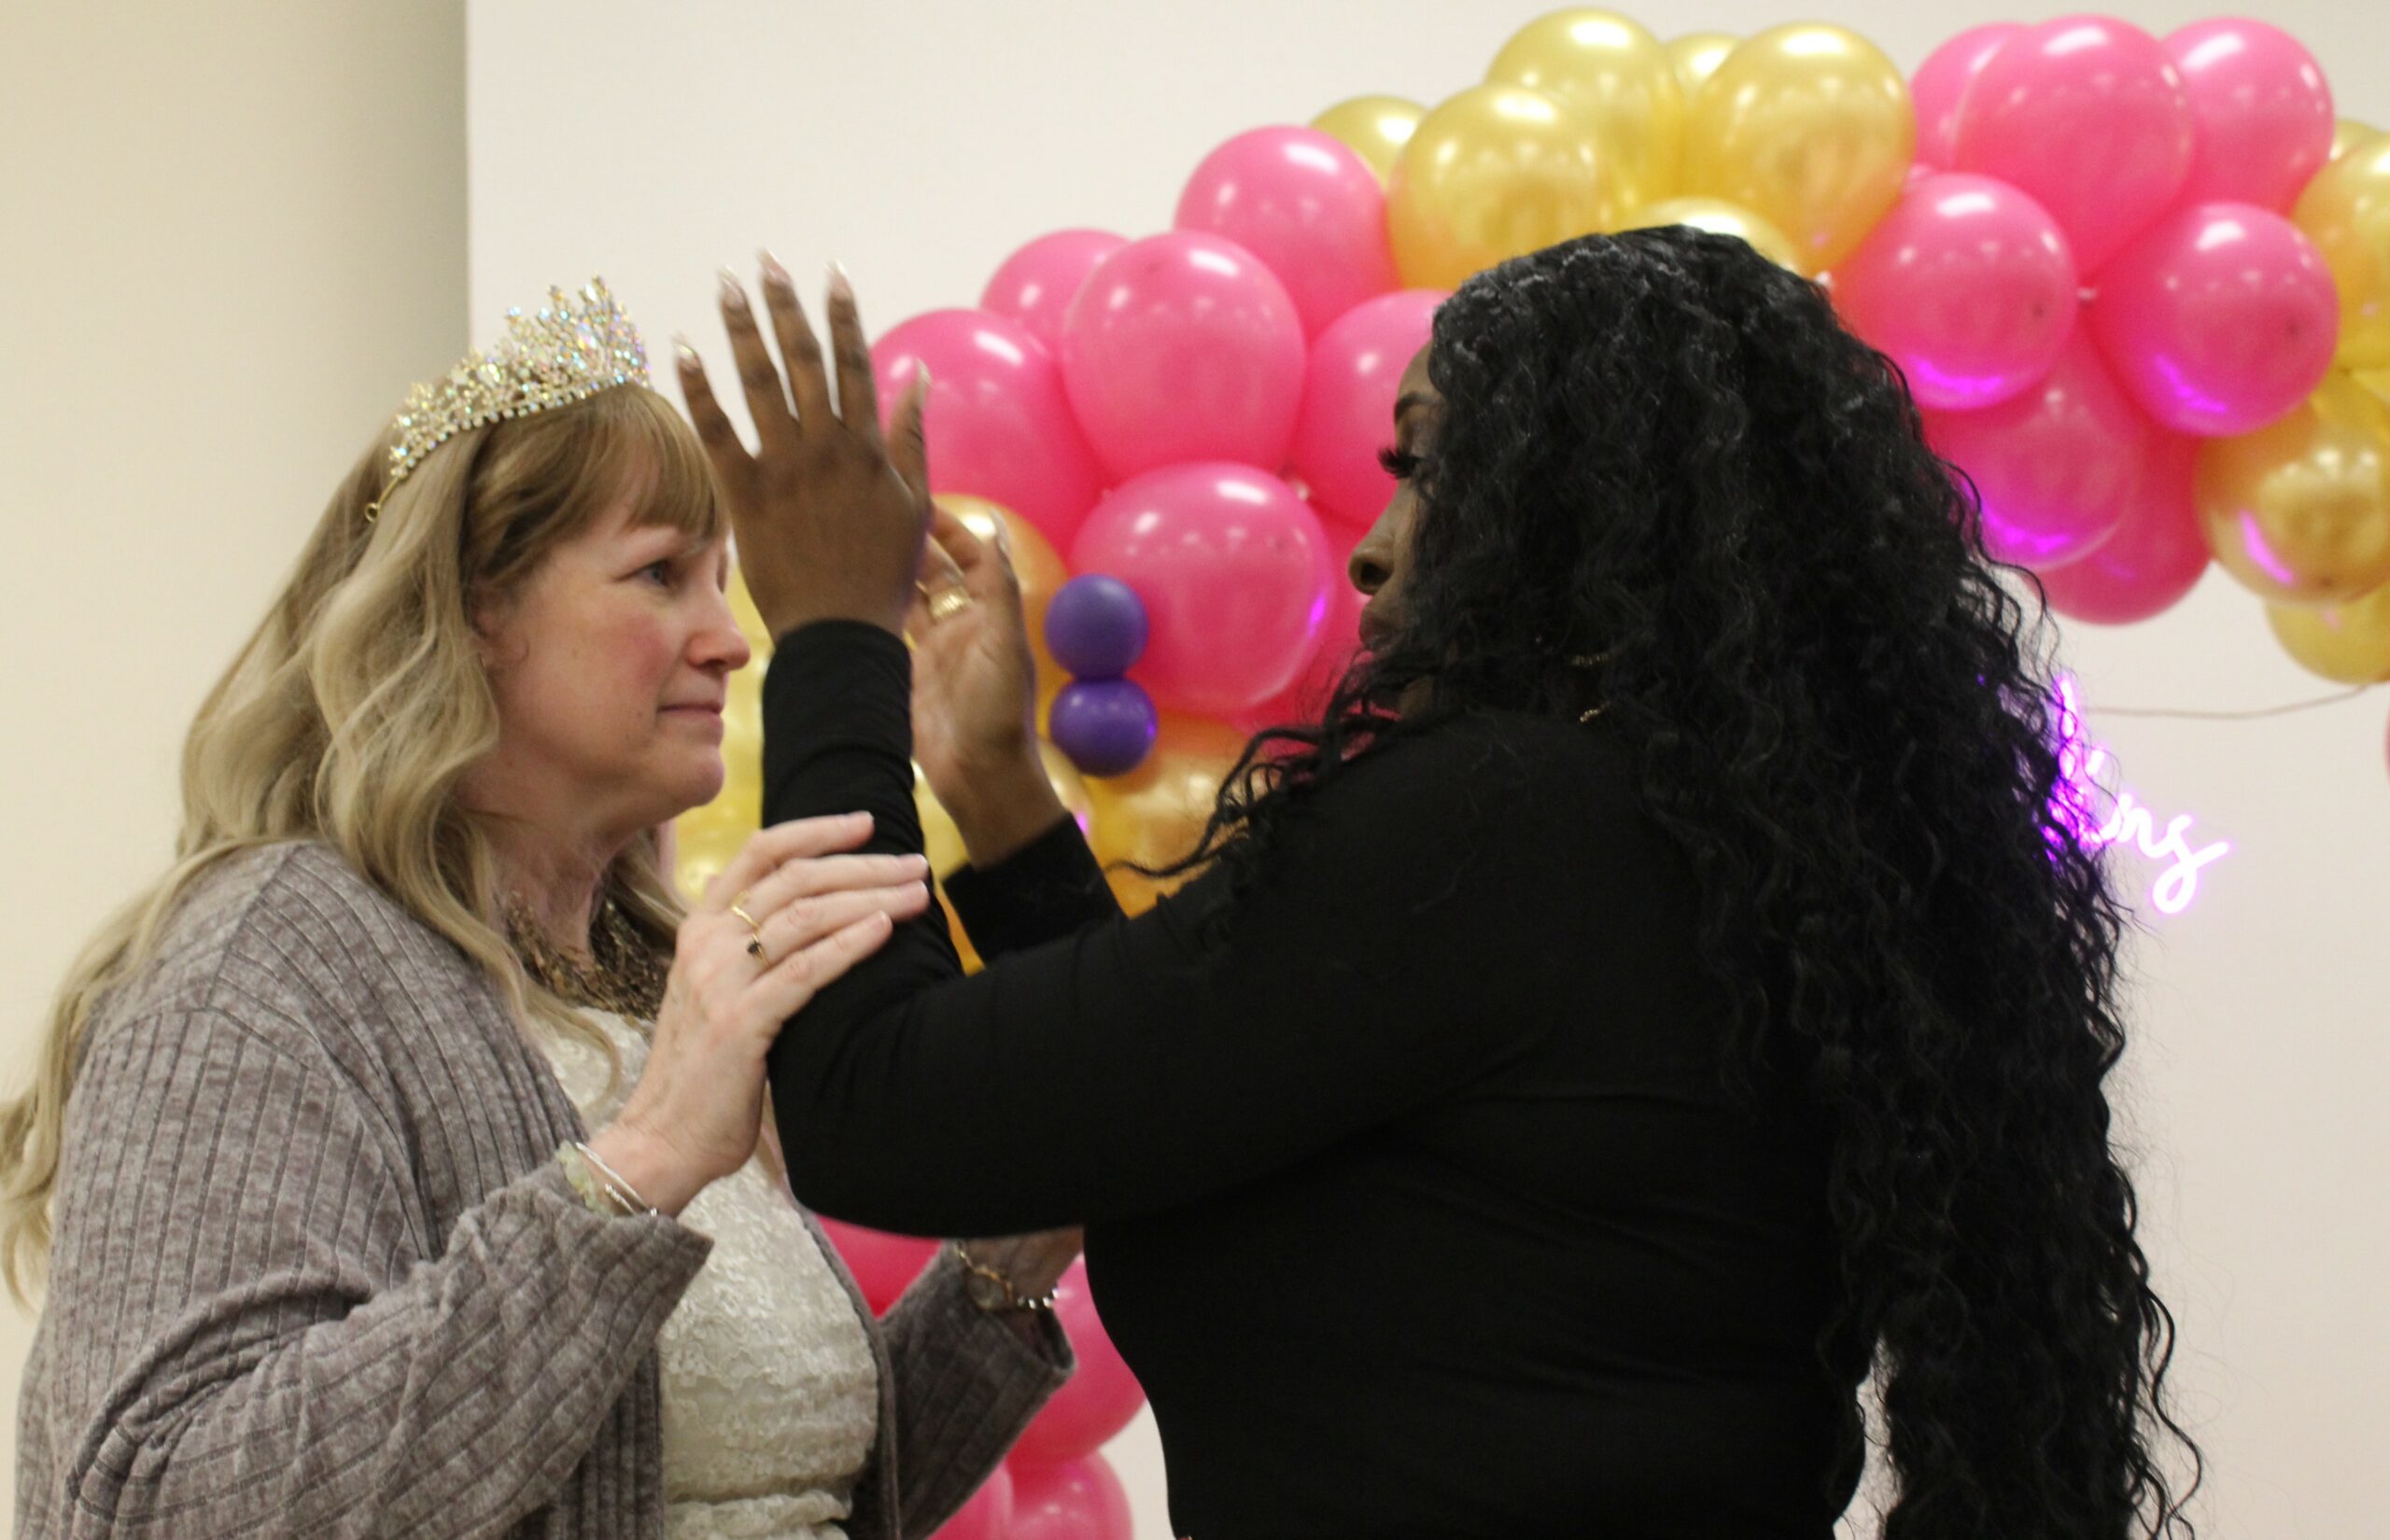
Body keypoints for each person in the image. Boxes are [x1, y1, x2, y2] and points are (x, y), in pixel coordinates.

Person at [676, 233, 2198, 1540]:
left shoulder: (1502, 820)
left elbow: (880, 1106)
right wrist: (1005, 803)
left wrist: (833, 637)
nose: (1379, 550)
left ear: (1584, 515)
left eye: (1431, 475)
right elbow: (1176, 1106)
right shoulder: (1720, 845)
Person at [3, 280, 1077, 1540]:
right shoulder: (261, 969)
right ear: (474, 613)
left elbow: (742, 1486)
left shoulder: (641, 970)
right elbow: (162, 1499)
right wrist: (641, 1166)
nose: (729, 640)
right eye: (661, 574)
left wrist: (1009, 1265)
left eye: (723, 581)